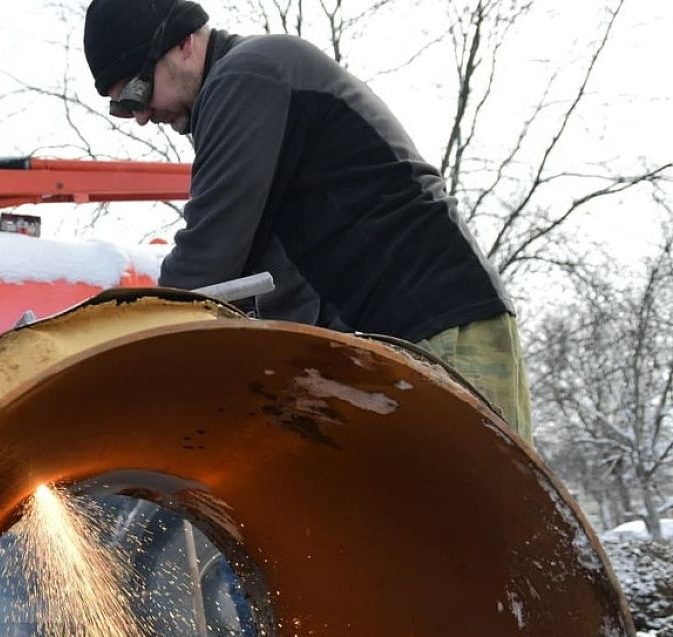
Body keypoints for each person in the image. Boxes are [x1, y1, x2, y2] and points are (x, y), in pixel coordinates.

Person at [83, 0, 533, 442]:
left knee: (461, 509)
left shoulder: (248, 75)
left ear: (183, 43)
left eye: (136, 92)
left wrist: (114, 357)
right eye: (121, 107)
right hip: (398, 340)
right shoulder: (248, 97)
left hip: (434, 326)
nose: (139, 116)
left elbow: (208, 258)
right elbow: (269, 288)